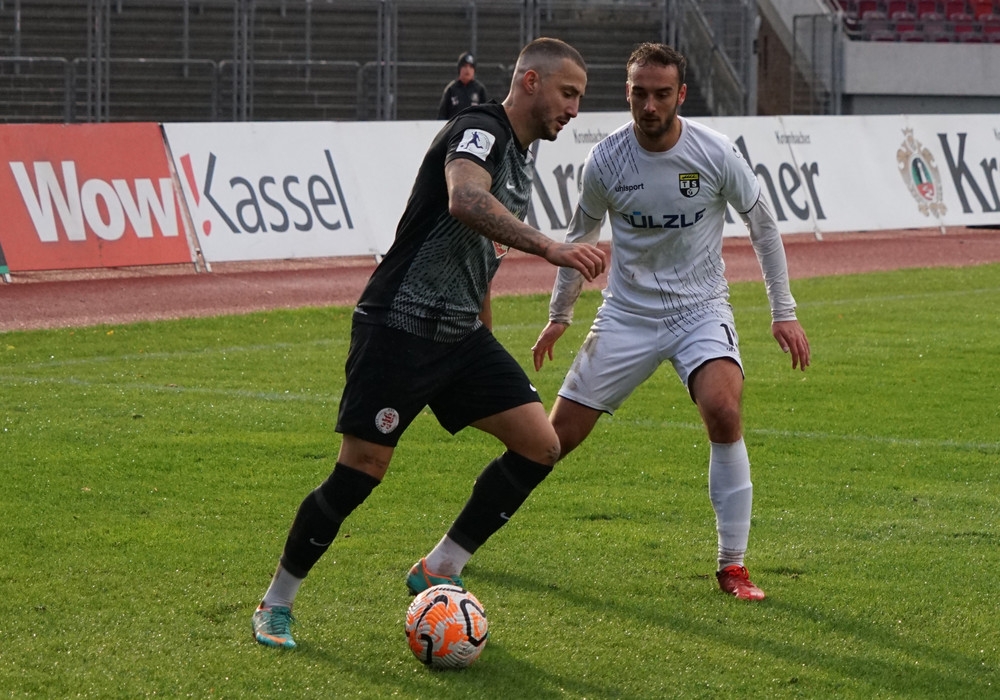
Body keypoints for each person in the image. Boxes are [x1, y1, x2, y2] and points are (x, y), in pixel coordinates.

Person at [251, 37, 606, 649]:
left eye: (579, 98)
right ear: (530, 81)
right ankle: (276, 602)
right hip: (399, 326)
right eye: (568, 93)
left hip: (460, 337)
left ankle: (440, 566)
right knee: (360, 471)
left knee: (540, 445)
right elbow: (465, 200)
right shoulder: (481, 129)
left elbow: (481, 256)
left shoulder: (523, 158)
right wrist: (550, 247)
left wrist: (485, 338)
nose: (574, 109)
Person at [531, 43, 811, 601]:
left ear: (681, 94)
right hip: (627, 315)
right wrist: (560, 315)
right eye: (640, 94)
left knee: (724, 409)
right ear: (627, 92)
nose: (650, 106)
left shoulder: (715, 153)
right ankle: (458, 548)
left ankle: (732, 566)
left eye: (662, 94)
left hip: (699, 312)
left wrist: (783, 312)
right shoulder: (605, 160)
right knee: (549, 443)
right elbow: (581, 237)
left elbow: (763, 226)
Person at [437, 51, 489, 119]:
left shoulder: (480, 90)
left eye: (471, 67)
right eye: (464, 66)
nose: (467, 69)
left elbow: (486, 115)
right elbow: (442, 115)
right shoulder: (451, 89)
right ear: (459, 69)